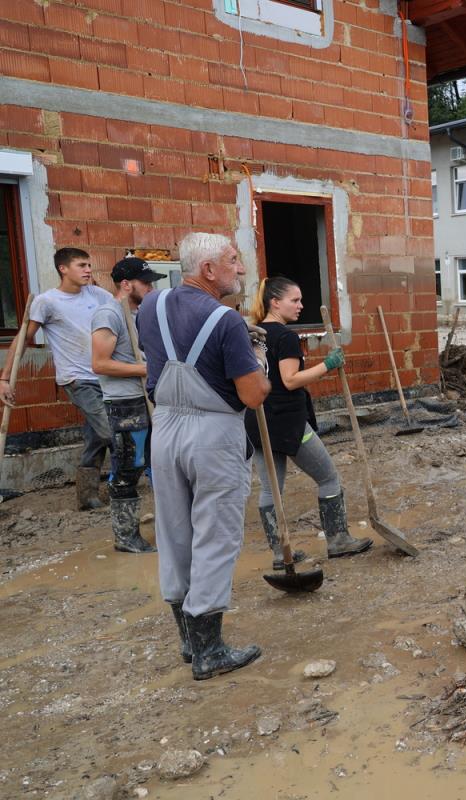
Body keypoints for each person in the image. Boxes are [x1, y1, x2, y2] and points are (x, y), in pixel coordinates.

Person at [136, 232, 270, 680]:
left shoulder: (150, 305)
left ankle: (188, 642)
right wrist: (258, 357)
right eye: (233, 260)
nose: (242, 268)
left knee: (174, 532)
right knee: (215, 534)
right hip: (212, 434)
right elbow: (252, 395)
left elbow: (161, 356)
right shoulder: (227, 321)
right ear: (208, 270)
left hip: (165, 429)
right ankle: (210, 651)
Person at [244, 276, 372, 568]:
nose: (301, 305)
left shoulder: (253, 334)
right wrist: (328, 365)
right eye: (295, 300)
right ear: (275, 303)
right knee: (328, 478)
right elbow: (290, 380)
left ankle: (281, 553)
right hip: (288, 423)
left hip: (258, 421)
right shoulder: (286, 337)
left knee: (270, 489)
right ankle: (338, 540)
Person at [0, 248, 114, 510]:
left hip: (105, 375)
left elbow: (119, 314)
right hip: (77, 379)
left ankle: (87, 497)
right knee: (111, 431)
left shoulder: (97, 295)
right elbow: (24, 339)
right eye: (81, 265)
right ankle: (124, 486)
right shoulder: (47, 301)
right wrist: (5, 379)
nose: (88, 270)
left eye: (89, 265)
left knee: (97, 435)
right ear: (63, 269)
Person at [90, 257, 165, 554]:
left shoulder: (140, 313)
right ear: (126, 284)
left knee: (159, 464)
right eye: (145, 282)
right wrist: (146, 369)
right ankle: (125, 537)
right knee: (128, 469)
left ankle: (167, 529)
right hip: (125, 404)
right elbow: (100, 363)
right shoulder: (109, 313)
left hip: (147, 398)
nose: (150, 287)